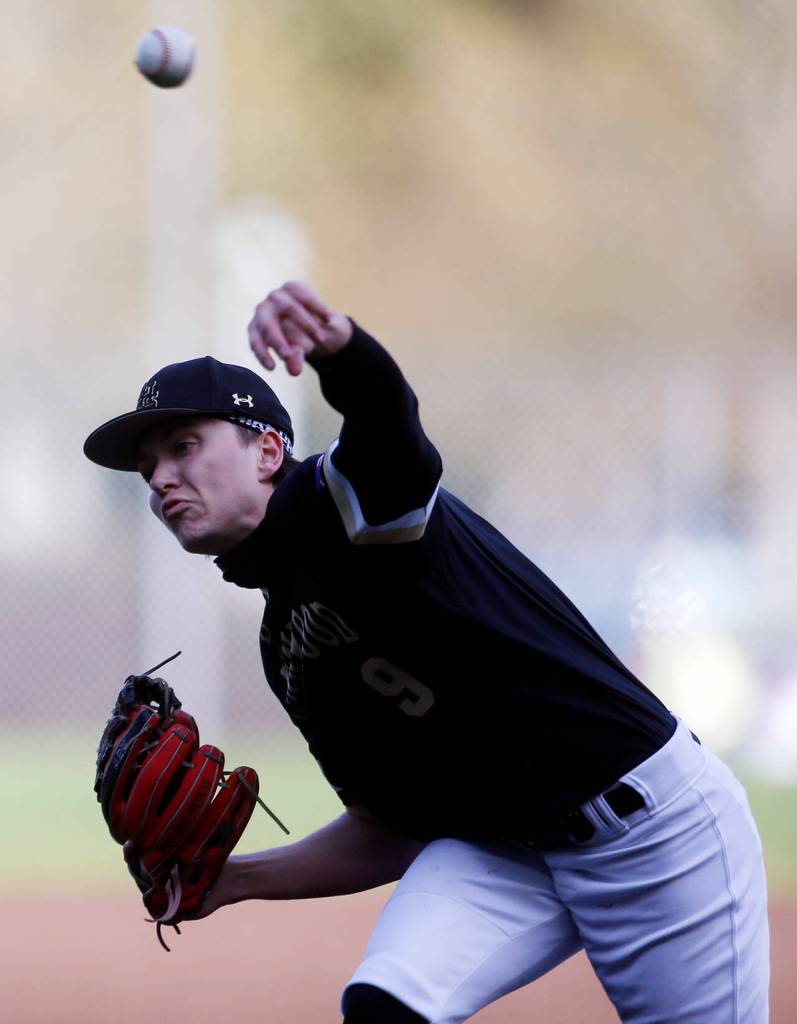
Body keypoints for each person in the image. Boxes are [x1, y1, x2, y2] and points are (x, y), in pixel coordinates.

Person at [84, 280, 770, 1023]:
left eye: (183, 446)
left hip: (655, 835)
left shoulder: (344, 504)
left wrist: (339, 348)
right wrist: (235, 880)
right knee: (386, 1008)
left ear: (268, 449)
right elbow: (388, 828)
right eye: (148, 465)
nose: (158, 478)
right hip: (504, 851)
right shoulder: (285, 644)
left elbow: (385, 422)